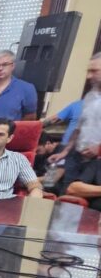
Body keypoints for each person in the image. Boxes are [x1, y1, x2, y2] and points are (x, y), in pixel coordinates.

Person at [58, 53, 101, 209]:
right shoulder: (90, 95)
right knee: (66, 200)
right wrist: (65, 151)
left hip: (96, 163)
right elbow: (79, 127)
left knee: (91, 207)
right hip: (76, 157)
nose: (89, 76)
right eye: (88, 71)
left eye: (94, 71)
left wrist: (98, 148)